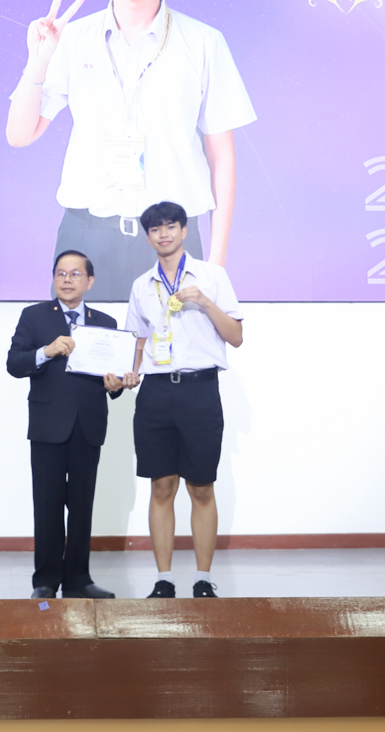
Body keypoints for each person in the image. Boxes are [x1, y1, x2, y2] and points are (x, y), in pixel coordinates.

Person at [5, 0, 257, 302]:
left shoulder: (204, 43)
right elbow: (19, 135)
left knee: (172, 344)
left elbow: (222, 156)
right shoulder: (71, 39)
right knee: (78, 343)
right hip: (85, 236)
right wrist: (38, 60)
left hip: (172, 239)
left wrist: (217, 264)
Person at [124, 200, 243, 598]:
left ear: (184, 230)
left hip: (199, 389)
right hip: (156, 392)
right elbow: (137, 341)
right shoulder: (142, 284)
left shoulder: (212, 276)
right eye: (156, 229)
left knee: (201, 487)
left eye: (170, 226)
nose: (164, 234)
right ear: (148, 237)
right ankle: (164, 579)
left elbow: (236, 337)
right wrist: (128, 373)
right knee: (161, 485)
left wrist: (204, 301)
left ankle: (203, 578)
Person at [6, 251, 131, 599]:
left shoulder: (104, 322)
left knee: (81, 505)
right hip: (48, 425)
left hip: (88, 424)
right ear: (53, 279)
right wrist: (45, 352)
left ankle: (78, 579)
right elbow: (14, 363)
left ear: (89, 282)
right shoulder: (34, 316)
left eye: (75, 274)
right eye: (60, 273)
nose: (66, 279)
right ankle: (45, 580)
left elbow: (112, 378)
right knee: (47, 504)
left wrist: (116, 385)